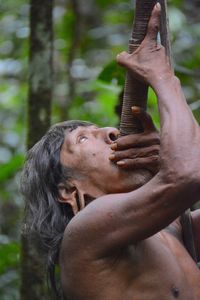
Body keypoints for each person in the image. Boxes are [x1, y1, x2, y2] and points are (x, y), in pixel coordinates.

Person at [21, 3, 200, 300]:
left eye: (100, 128)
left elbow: (188, 174)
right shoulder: (85, 233)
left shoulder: (166, 226)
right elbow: (189, 174)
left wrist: (161, 165)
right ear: (68, 190)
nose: (111, 132)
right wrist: (163, 78)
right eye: (83, 139)